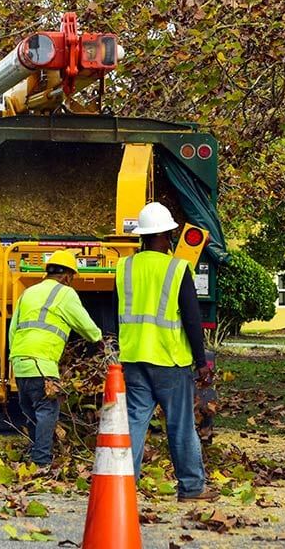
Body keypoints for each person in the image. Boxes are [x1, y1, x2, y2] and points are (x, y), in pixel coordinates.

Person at [116, 202, 218, 502]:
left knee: (135, 421)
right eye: (170, 233)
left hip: (134, 357)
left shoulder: (125, 267)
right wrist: (201, 362)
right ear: (163, 235)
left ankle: (122, 489)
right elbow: (191, 318)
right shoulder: (177, 269)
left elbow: (115, 312)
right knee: (181, 424)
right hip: (170, 359)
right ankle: (192, 487)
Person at [9, 249, 104, 468]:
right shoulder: (64, 293)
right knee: (46, 410)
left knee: (32, 411)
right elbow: (85, 325)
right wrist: (99, 340)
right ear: (65, 276)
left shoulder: (28, 293)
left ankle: (33, 454)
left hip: (21, 363)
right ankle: (41, 461)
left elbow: (13, 330)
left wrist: (17, 358)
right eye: (71, 279)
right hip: (42, 364)